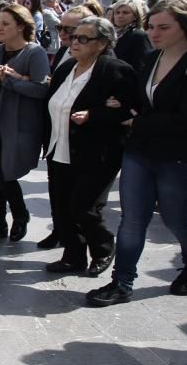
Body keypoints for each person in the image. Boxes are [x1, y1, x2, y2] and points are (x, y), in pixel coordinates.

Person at [87, 0, 187, 306]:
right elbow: (141, 100)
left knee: (177, 221)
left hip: (184, 156)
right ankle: (122, 282)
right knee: (132, 219)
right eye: (151, 26)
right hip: (141, 151)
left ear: (186, 27)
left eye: (163, 27)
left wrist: (137, 120)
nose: (154, 33)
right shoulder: (150, 58)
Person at [43, 17, 137, 276]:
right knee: (61, 207)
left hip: (98, 153)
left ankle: (103, 248)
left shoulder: (115, 70)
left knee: (84, 206)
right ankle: (73, 255)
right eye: (74, 36)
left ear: (102, 43)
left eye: (84, 38)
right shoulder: (65, 69)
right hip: (59, 147)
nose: (75, 42)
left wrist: (94, 115)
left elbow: (130, 111)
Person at [0, 5, 49, 242]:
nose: (0, 27)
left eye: (6, 23)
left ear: (21, 26)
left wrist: (11, 81)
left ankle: (19, 215)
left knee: (3, 172)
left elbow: (41, 89)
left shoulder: (35, 53)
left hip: (18, 124)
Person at [111, 0, 154, 72]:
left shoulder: (139, 36)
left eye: (125, 13)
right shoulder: (111, 34)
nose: (120, 16)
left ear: (135, 16)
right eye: (117, 12)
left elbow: (141, 65)